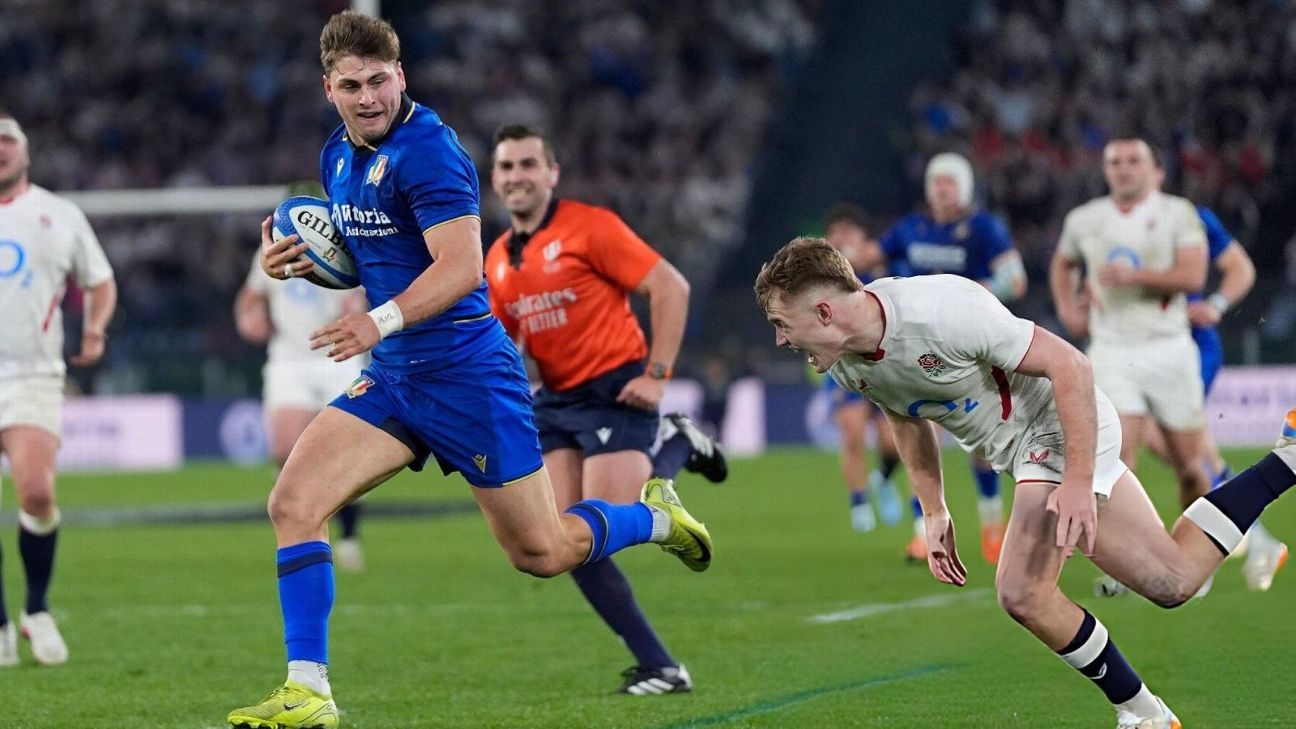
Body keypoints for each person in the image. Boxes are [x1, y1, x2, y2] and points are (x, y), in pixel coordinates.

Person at [227, 14, 712, 729]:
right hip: (395, 377)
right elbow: (370, 255)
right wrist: (295, 261)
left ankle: (652, 516)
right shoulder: (337, 155)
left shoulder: (432, 151)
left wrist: (375, 319)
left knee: (543, 552)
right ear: (329, 87)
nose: (369, 97)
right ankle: (309, 691)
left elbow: (457, 268)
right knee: (293, 503)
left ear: (402, 76)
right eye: (353, 84)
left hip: (467, 376)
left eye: (381, 80)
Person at [755, 236, 1296, 727]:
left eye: (783, 323)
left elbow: (1071, 367)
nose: (781, 340)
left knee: (1021, 591)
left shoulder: (942, 311)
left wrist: (1079, 481)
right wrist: (935, 509)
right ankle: (1288, 459)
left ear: (823, 310)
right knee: (1174, 581)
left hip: (1060, 424)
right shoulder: (847, 360)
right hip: (1028, 453)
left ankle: (1144, 714)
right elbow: (906, 418)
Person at [485, 123, 726, 694]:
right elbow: (504, 342)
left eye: (527, 165)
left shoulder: (590, 226)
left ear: (552, 173)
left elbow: (671, 287)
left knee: (602, 524)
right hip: (555, 403)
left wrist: (658, 375)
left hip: (616, 392)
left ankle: (676, 444)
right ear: (494, 180)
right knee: (562, 543)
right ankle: (661, 667)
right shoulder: (496, 258)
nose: (517, 177)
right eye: (506, 167)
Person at [859, 153, 1028, 563]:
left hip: (971, 344)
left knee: (982, 446)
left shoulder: (983, 228)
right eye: (936, 182)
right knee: (921, 437)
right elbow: (866, 258)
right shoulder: (911, 229)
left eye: (950, 182)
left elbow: (1015, 280)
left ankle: (992, 527)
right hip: (918, 346)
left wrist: (978, 291)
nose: (942, 188)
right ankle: (924, 533)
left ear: (965, 188)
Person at [0, 113, 116, 668]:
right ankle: (0, 623)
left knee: (37, 494)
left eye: (7, 140)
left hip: (32, 374)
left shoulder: (58, 213)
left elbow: (100, 279)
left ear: (25, 153)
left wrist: (94, 327)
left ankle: (36, 608)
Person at [1049, 139, 1212, 516]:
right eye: (1114, 162)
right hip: (1110, 349)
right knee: (1117, 462)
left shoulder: (1177, 213)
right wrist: (1068, 308)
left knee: (1189, 467)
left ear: (1153, 168)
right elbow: (1063, 262)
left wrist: (1134, 276)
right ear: (1105, 170)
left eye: (1133, 161)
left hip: (1169, 347)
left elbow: (1193, 276)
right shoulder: (1084, 219)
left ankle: (1201, 552)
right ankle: (1131, 571)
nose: (1123, 169)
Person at [1135, 200, 1286, 591]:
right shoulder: (1104, 221)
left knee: (1177, 446)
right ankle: (1236, 543)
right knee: (1194, 455)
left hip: (1189, 350)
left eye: (1135, 162)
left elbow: (1240, 267)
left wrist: (1216, 305)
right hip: (1143, 352)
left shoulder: (1189, 217)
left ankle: (1216, 550)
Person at [234, 249, 369, 572]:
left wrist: (360, 305)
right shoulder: (271, 249)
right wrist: (248, 319)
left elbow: (369, 293)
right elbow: (249, 298)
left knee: (344, 456)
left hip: (339, 352)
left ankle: (348, 536)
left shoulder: (345, 240)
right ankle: (296, 527)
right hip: (290, 357)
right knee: (284, 449)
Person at [820, 203, 902, 532]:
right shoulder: (819, 276)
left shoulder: (882, 268)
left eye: (849, 232)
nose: (842, 238)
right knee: (852, 433)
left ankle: (881, 479)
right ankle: (859, 504)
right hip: (843, 364)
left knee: (891, 444)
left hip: (882, 364)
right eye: (836, 232)